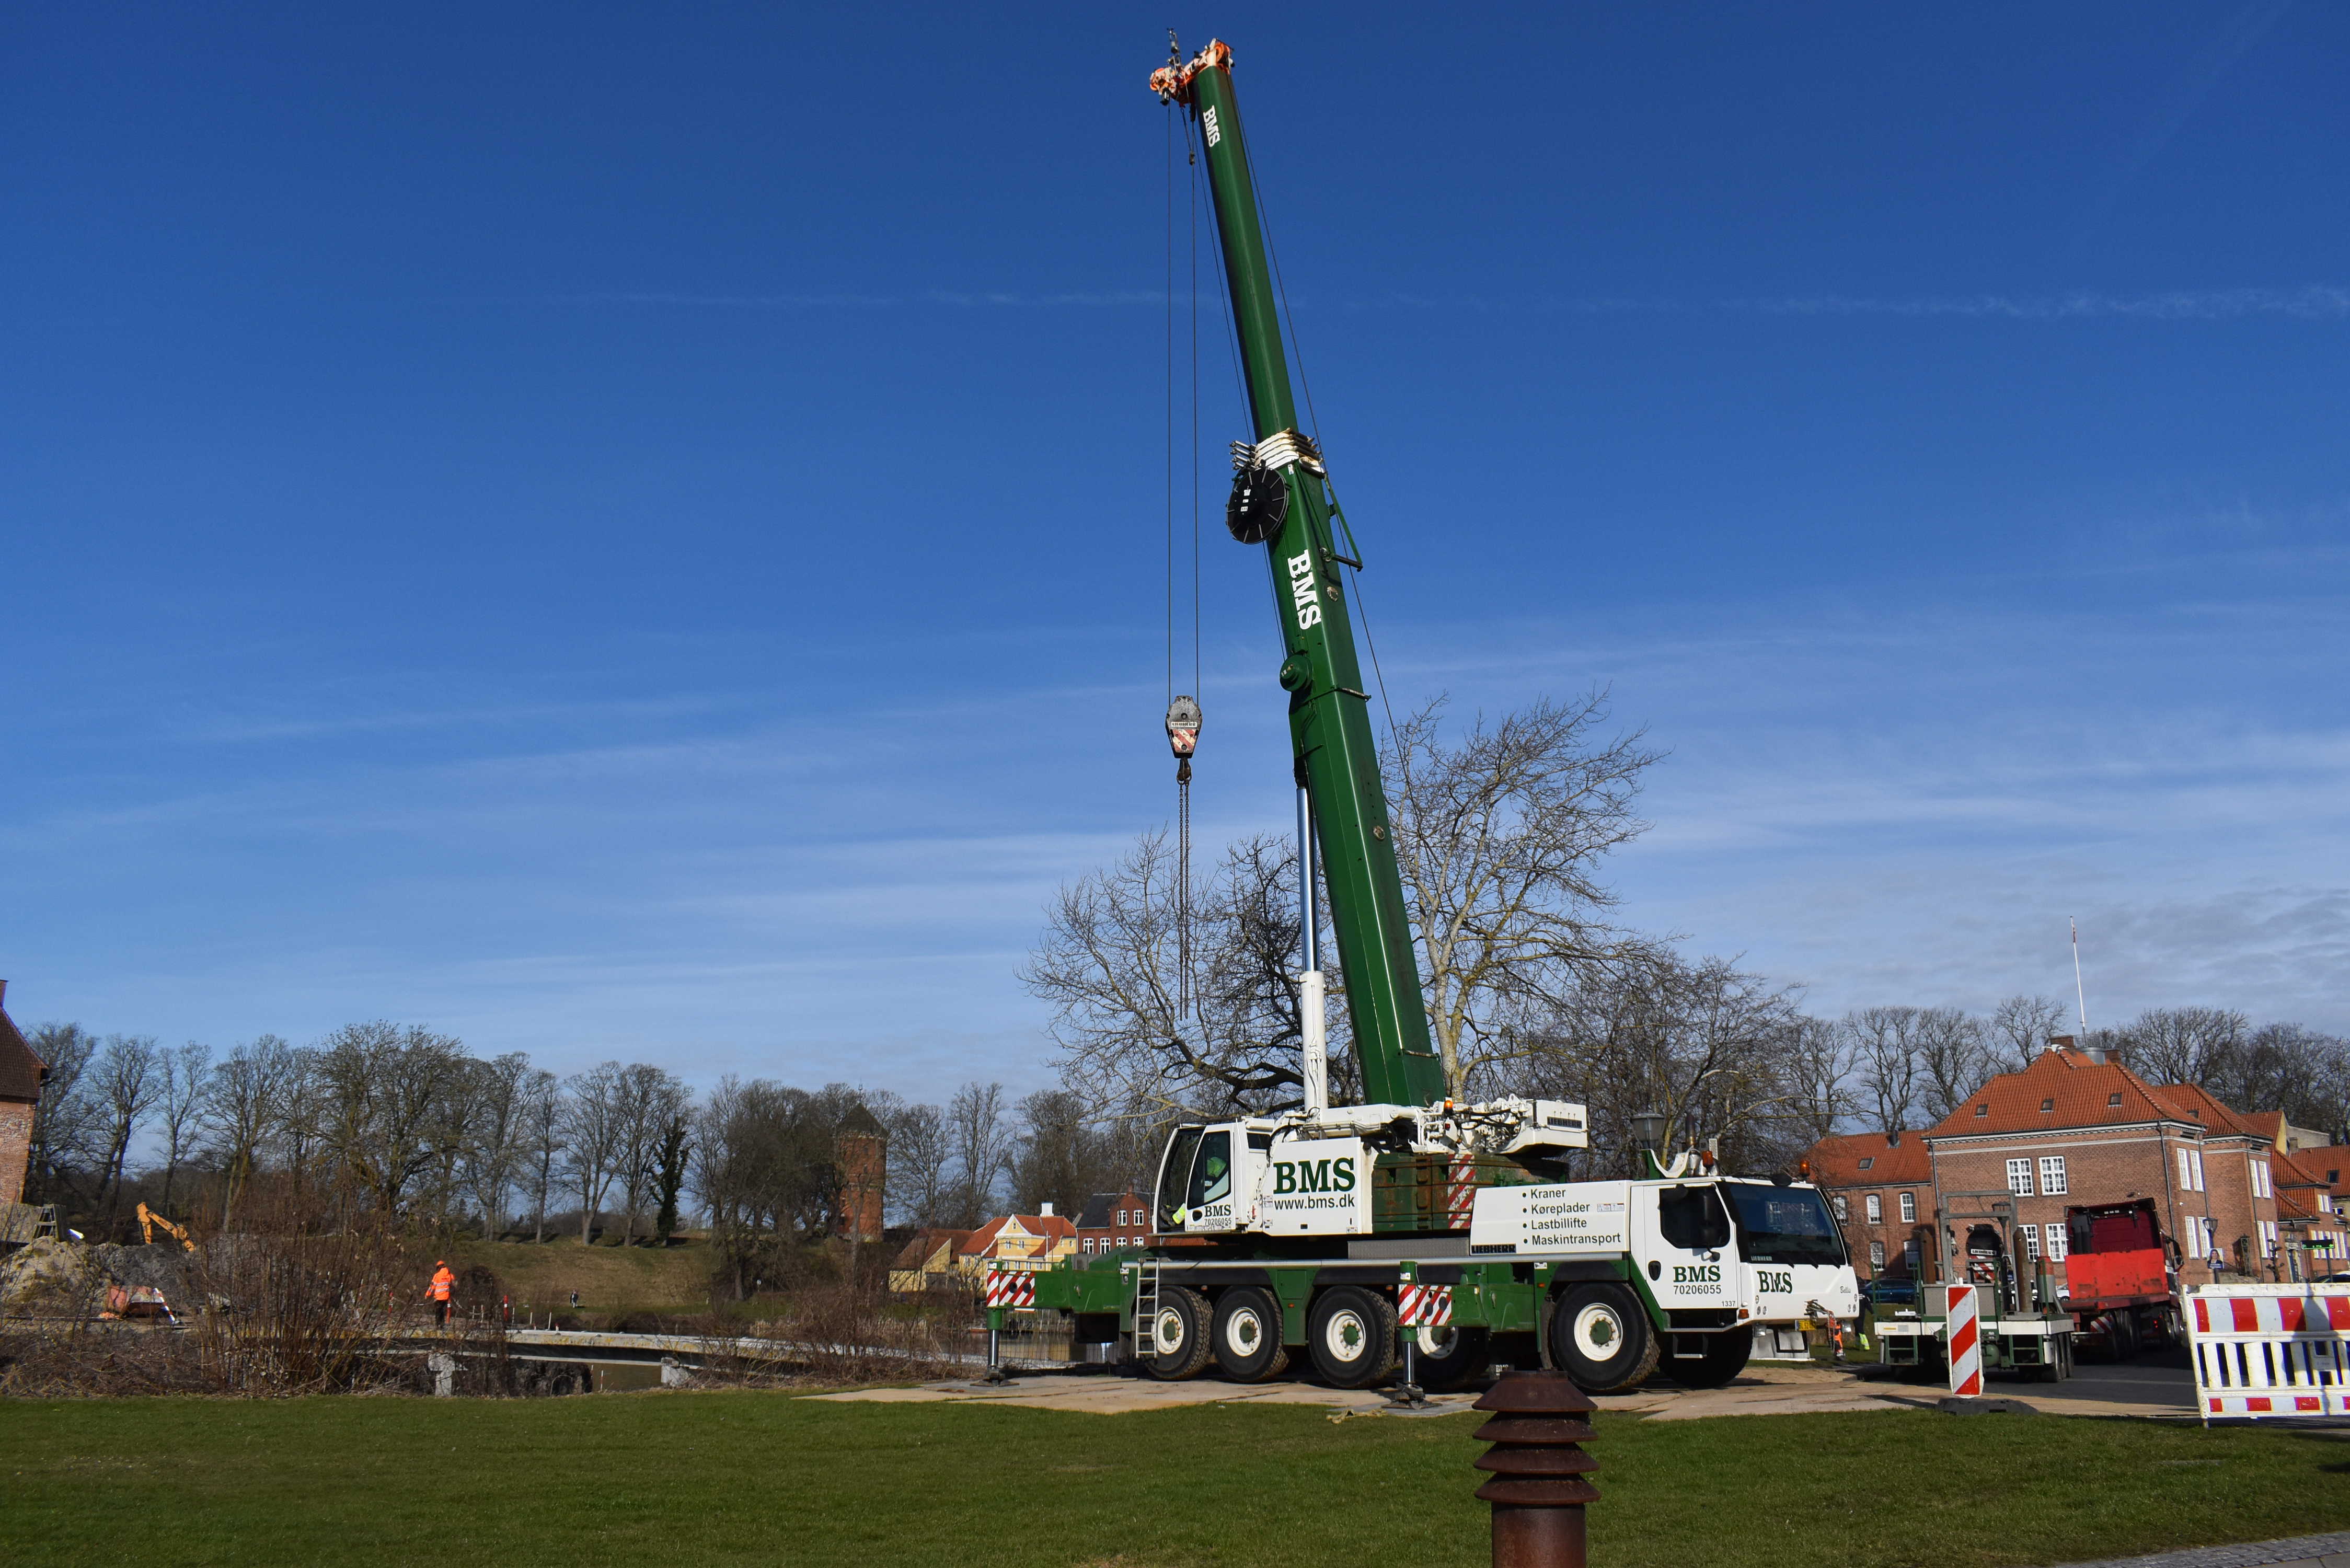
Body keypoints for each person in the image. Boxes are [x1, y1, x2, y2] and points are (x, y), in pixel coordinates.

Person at [428, 1260, 456, 1327]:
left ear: (438, 1268)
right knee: (442, 1311)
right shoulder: (450, 1275)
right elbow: (455, 1284)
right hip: (446, 1297)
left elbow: (432, 1287)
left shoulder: (437, 1275)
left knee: (438, 1311)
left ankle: (439, 1325)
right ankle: (442, 1324)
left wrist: (427, 1295)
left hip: (438, 1297)